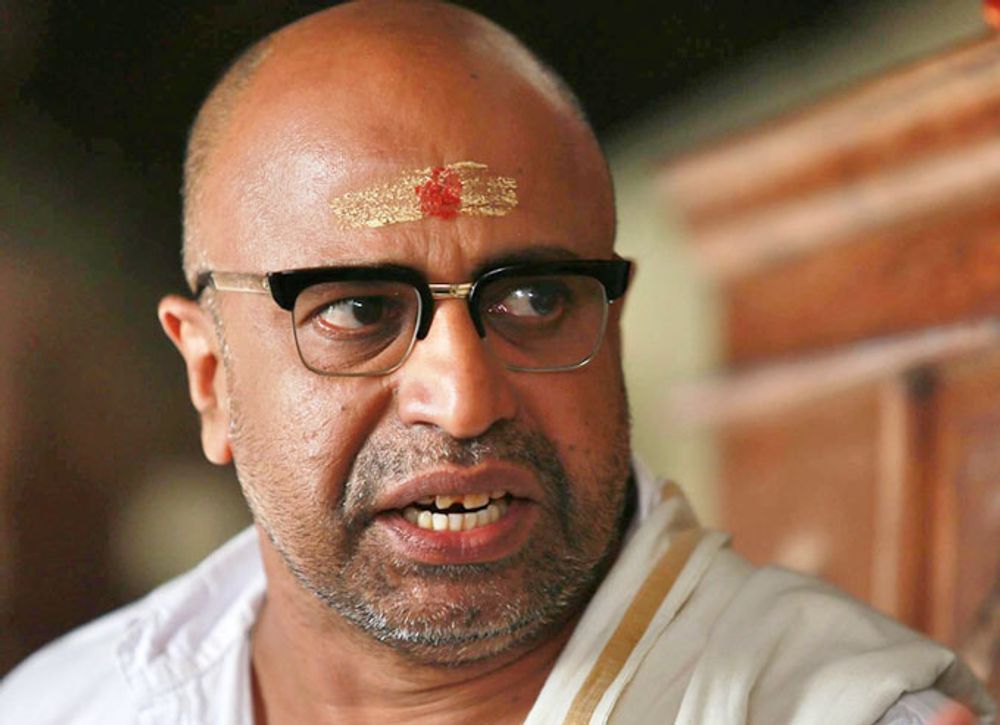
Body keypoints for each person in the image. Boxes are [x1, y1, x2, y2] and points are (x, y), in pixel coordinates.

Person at [0, 2, 995, 723]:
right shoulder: (69, 705)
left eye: (535, 301)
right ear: (211, 378)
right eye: (359, 312)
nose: (465, 397)